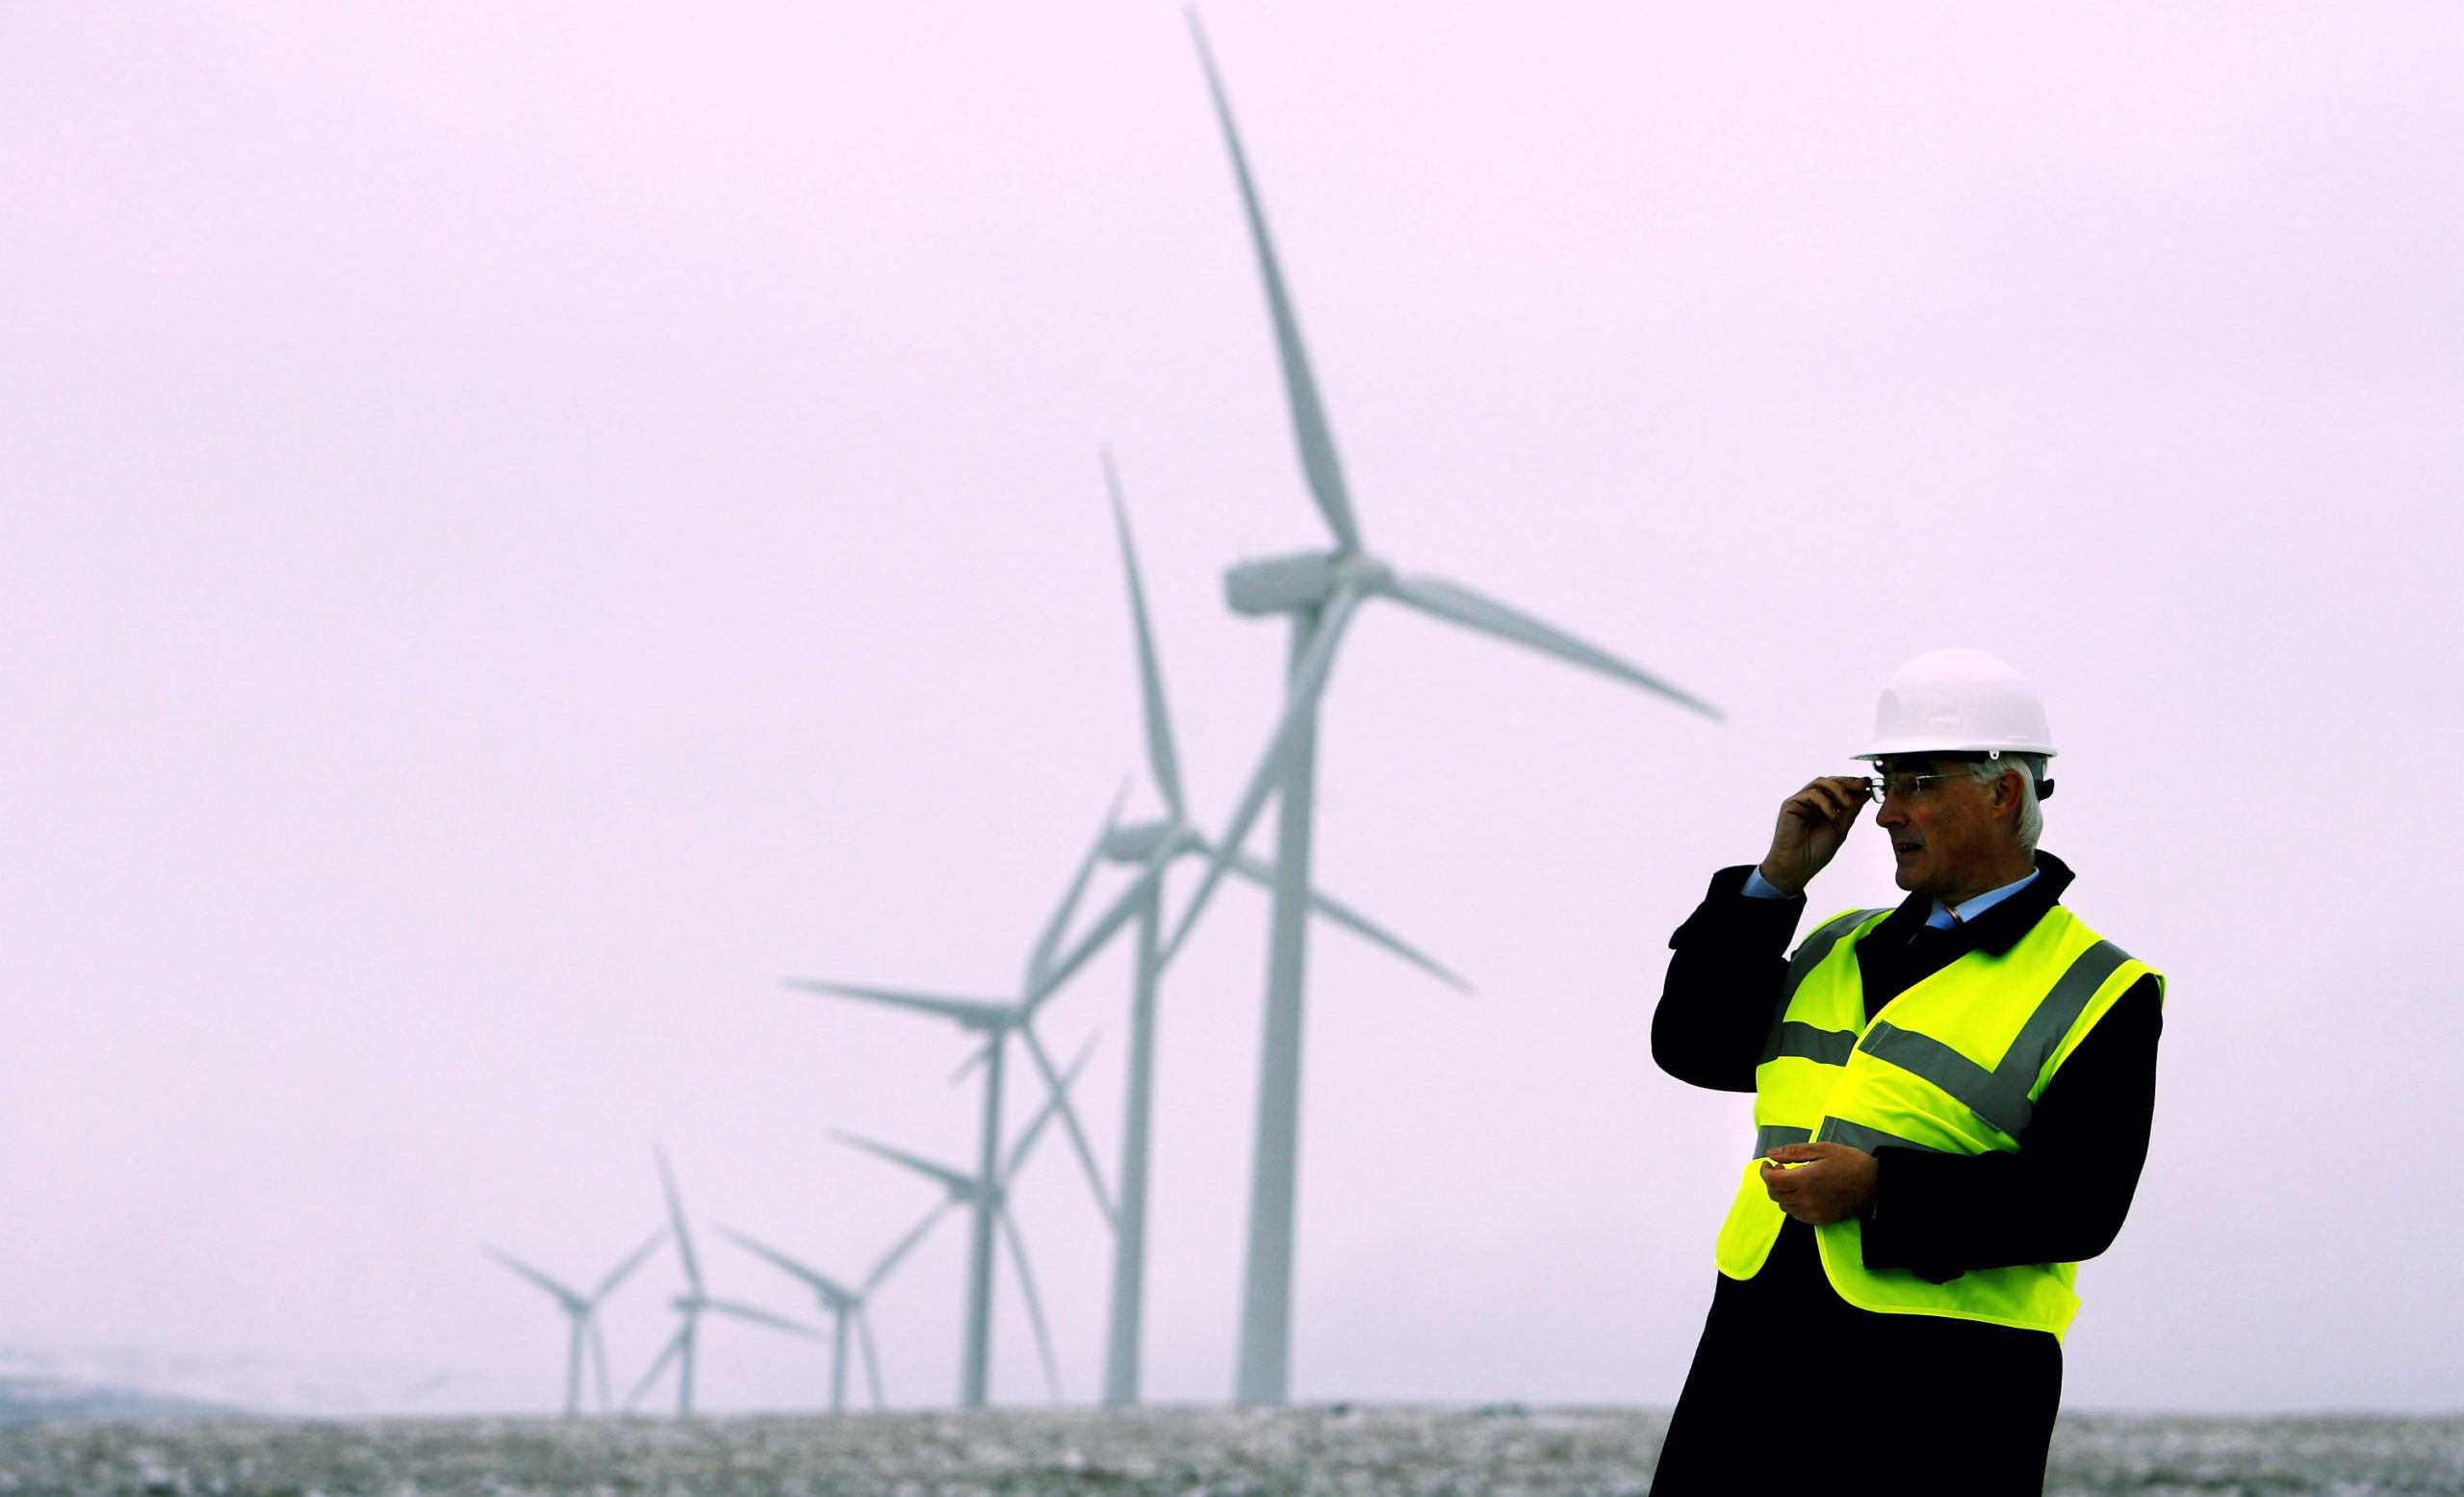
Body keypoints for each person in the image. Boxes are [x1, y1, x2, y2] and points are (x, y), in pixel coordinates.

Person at [1647, 649, 2164, 1496]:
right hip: (1753, 1363)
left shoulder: (2098, 987)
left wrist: (1881, 1189)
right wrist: (1775, 884)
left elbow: (2083, 1204)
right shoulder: (1832, 942)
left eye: (1918, 783)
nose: (1888, 813)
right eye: (1886, 783)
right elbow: (1692, 1045)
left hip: (1948, 1399)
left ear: (2004, 794)